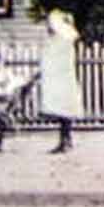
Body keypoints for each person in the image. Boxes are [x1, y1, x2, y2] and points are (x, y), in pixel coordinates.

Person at [39, 10, 83, 154]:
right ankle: (64, 140)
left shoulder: (63, 40)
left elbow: (59, 60)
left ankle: (66, 141)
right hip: (57, 79)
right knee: (61, 112)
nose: (48, 28)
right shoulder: (57, 40)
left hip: (63, 78)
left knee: (65, 111)